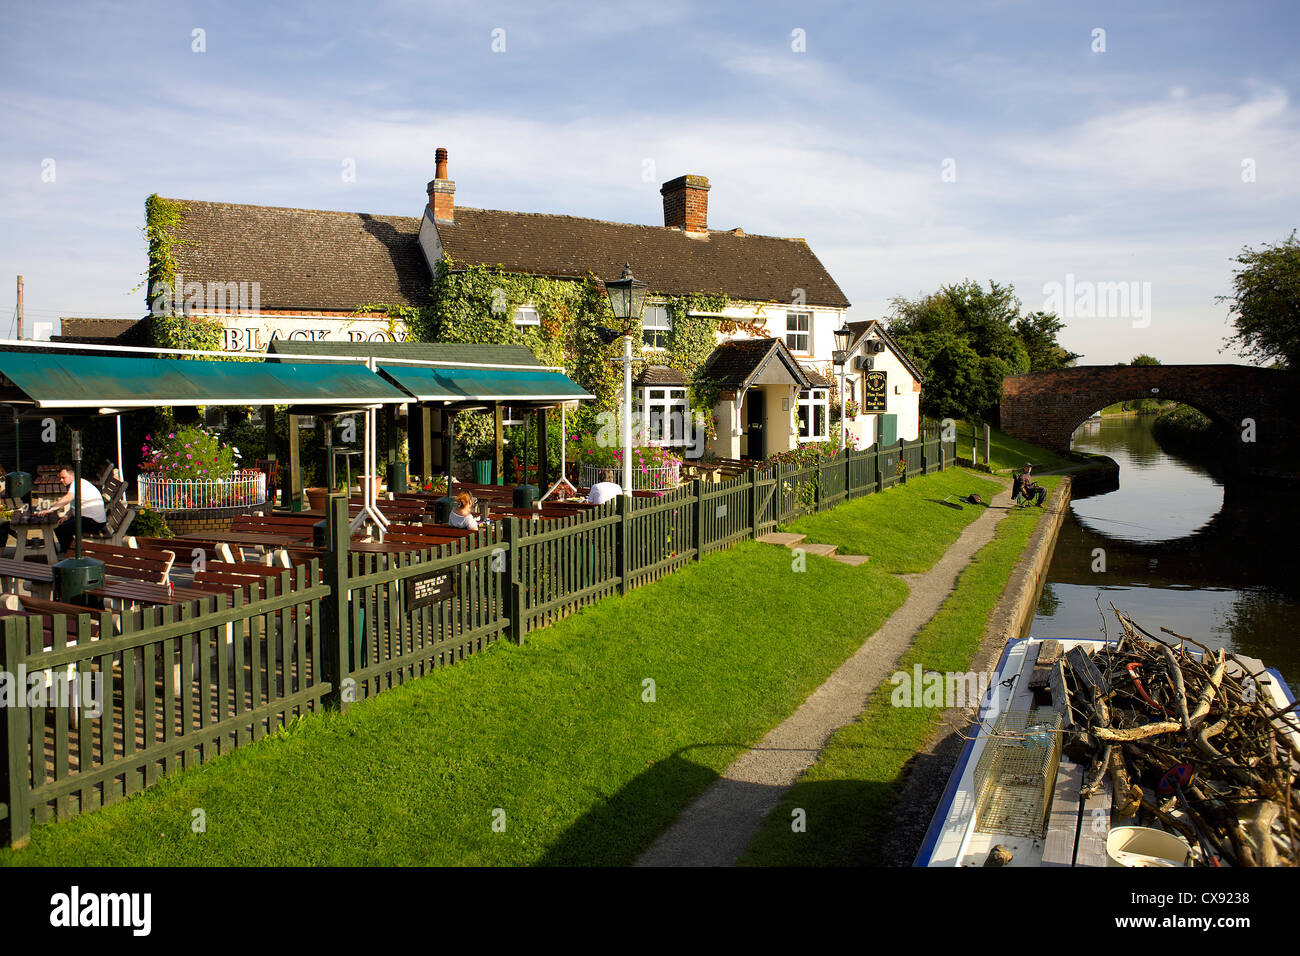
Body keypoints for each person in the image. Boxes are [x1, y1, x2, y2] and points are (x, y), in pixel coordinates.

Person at [39, 465, 107, 552]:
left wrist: (51, 509)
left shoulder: (77, 484)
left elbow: (68, 498)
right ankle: (69, 551)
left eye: (63, 478)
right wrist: (66, 517)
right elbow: (73, 506)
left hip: (94, 522)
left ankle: (70, 553)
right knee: (58, 525)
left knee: (61, 530)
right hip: (88, 519)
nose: (61, 480)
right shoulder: (77, 483)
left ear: (72, 476)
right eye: (60, 478)